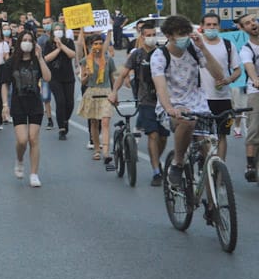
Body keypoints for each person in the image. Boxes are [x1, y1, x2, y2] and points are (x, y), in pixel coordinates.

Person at [152, 15, 224, 188]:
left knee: (209, 153)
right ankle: (177, 163)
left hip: (198, 103)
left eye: (187, 33)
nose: (185, 37)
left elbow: (219, 75)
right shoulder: (159, 56)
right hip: (172, 104)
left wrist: (204, 48)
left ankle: (212, 203)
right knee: (186, 122)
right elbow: (161, 87)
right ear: (169, 36)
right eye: (180, 34)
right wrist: (170, 108)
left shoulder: (194, 49)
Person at [109, 21, 167, 186]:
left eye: (153, 35)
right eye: (148, 35)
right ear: (141, 36)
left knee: (162, 137)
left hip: (163, 101)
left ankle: (156, 159)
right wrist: (114, 92)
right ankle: (156, 171)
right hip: (145, 100)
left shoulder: (162, 53)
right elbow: (122, 74)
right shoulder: (137, 55)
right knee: (153, 134)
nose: (151, 38)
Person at [0, 31, 50, 187]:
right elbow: (5, 84)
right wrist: (4, 105)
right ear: (19, 42)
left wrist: (40, 57)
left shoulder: (37, 60)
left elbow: (47, 78)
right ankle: (20, 159)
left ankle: (34, 174)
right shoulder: (11, 62)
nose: (27, 42)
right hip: (18, 103)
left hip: (35, 103)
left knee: (33, 139)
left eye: (30, 40)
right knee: (22, 140)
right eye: (24, 39)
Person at [199, 13, 241, 161]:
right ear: (202, 27)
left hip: (223, 98)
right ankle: (205, 166)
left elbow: (237, 70)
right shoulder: (196, 46)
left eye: (214, 25)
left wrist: (228, 80)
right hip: (202, 98)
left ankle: (219, 170)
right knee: (203, 135)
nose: (211, 27)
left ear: (219, 26)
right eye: (208, 25)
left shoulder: (228, 45)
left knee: (222, 135)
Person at [77, 31, 116, 163]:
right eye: (95, 44)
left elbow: (112, 78)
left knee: (105, 121)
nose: (98, 46)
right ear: (89, 46)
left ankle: (106, 151)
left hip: (106, 92)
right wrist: (86, 75)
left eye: (100, 43)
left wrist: (115, 93)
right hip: (92, 92)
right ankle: (97, 149)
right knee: (94, 122)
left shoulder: (109, 60)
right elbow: (82, 81)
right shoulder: (85, 61)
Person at [42, 22, 76, 140]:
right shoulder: (48, 43)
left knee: (70, 103)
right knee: (60, 101)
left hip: (68, 77)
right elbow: (46, 58)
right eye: (55, 30)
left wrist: (62, 45)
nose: (58, 31)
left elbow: (72, 55)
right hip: (54, 77)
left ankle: (65, 119)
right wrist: (57, 48)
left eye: (59, 29)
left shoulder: (69, 42)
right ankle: (61, 128)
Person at [237, 12, 259, 182]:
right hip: (256, 91)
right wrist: (255, 80)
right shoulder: (246, 49)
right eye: (247, 23)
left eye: (254, 20)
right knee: (254, 128)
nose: (252, 24)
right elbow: (249, 66)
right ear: (243, 28)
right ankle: (251, 165)